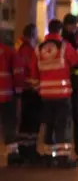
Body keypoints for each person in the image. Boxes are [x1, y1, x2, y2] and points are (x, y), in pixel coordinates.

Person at [32, 19, 78, 168]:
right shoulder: (64, 47)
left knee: (49, 124)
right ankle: (63, 157)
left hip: (45, 94)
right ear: (60, 31)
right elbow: (76, 62)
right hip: (62, 93)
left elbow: (34, 73)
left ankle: (49, 155)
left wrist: (39, 88)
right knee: (63, 125)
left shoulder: (39, 48)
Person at [16, 23, 42, 165]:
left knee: (25, 123)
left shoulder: (19, 47)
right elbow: (31, 70)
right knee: (31, 122)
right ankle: (29, 150)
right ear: (32, 35)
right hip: (30, 90)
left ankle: (25, 149)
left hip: (22, 90)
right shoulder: (28, 50)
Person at [62, 14, 78, 161]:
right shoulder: (63, 41)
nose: (75, 28)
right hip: (64, 83)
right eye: (73, 25)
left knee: (76, 116)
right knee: (65, 117)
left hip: (75, 83)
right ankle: (66, 149)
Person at [0, 39, 23, 166]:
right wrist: (18, 92)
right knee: (9, 124)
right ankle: (12, 154)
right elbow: (18, 73)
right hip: (6, 95)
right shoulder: (9, 52)